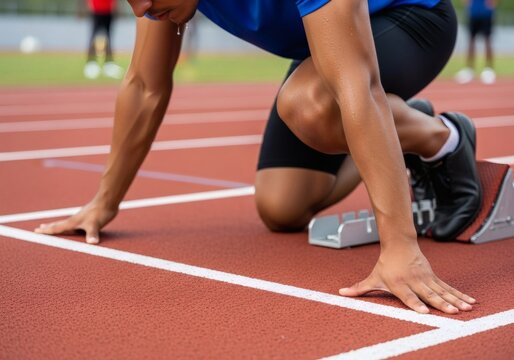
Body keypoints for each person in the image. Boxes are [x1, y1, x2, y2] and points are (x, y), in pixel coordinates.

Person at [36, 0, 482, 315]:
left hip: (409, 18)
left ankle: (442, 138)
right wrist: (103, 202)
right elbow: (144, 86)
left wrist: (400, 248)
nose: (140, 9)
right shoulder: (155, 2)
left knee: (312, 106)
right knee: (282, 205)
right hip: (324, 40)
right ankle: (401, 130)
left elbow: (359, 87)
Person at [455, 0, 498, 84]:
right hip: (473, 13)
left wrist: (492, 4)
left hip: (486, 14)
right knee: (471, 41)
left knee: (487, 41)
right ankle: (469, 69)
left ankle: (489, 69)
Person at [83, 0, 124, 79]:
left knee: (108, 37)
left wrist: (115, 6)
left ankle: (108, 64)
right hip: (96, 10)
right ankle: (91, 63)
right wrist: (90, 5)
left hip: (108, 10)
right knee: (93, 37)